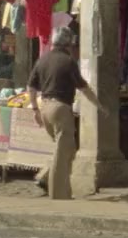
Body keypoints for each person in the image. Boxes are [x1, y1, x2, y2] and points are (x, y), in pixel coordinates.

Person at [26, 26, 108, 200]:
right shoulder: (68, 61)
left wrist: (35, 109)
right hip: (60, 108)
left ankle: (44, 177)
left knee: (67, 149)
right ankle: (59, 194)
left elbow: (31, 87)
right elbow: (84, 88)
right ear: (69, 43)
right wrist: (99, 105)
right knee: (62, 153)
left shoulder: (42, 60)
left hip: (45, 108)